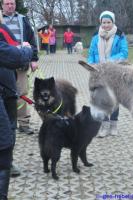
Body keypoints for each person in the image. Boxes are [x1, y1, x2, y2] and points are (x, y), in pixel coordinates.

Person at [0, 11, 33, 199]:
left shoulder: (18, 23)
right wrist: (26, 51)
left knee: (9, 129)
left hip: (8, 86)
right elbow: (16, 55)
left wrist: (31, 54)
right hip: (5, 86)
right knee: (4, 142)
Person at [87, 10, 128, 138]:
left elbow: (124, 52)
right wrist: (91, 64)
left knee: (114, 99)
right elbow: (91, 54)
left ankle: (113, 125)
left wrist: (109, 61)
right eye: (103, 22)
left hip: (114, 71)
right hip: (99, 72)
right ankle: (104, 126)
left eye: (108, 22)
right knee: (101, 98)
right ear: (101, 23)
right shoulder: (95, 37)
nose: (106, 25)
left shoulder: (120, 35)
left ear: (112, 22)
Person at [2, 0, 39, 137]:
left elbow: (31, 39)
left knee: (22, 93)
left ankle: (24, 123)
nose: (10, 6)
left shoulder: (23, 20)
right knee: (6, 95)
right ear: (2, 5)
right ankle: (7, 123)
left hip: (21, 62)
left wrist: (34, 59)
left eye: (12, 3)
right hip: (4, 64)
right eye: (7, 4)